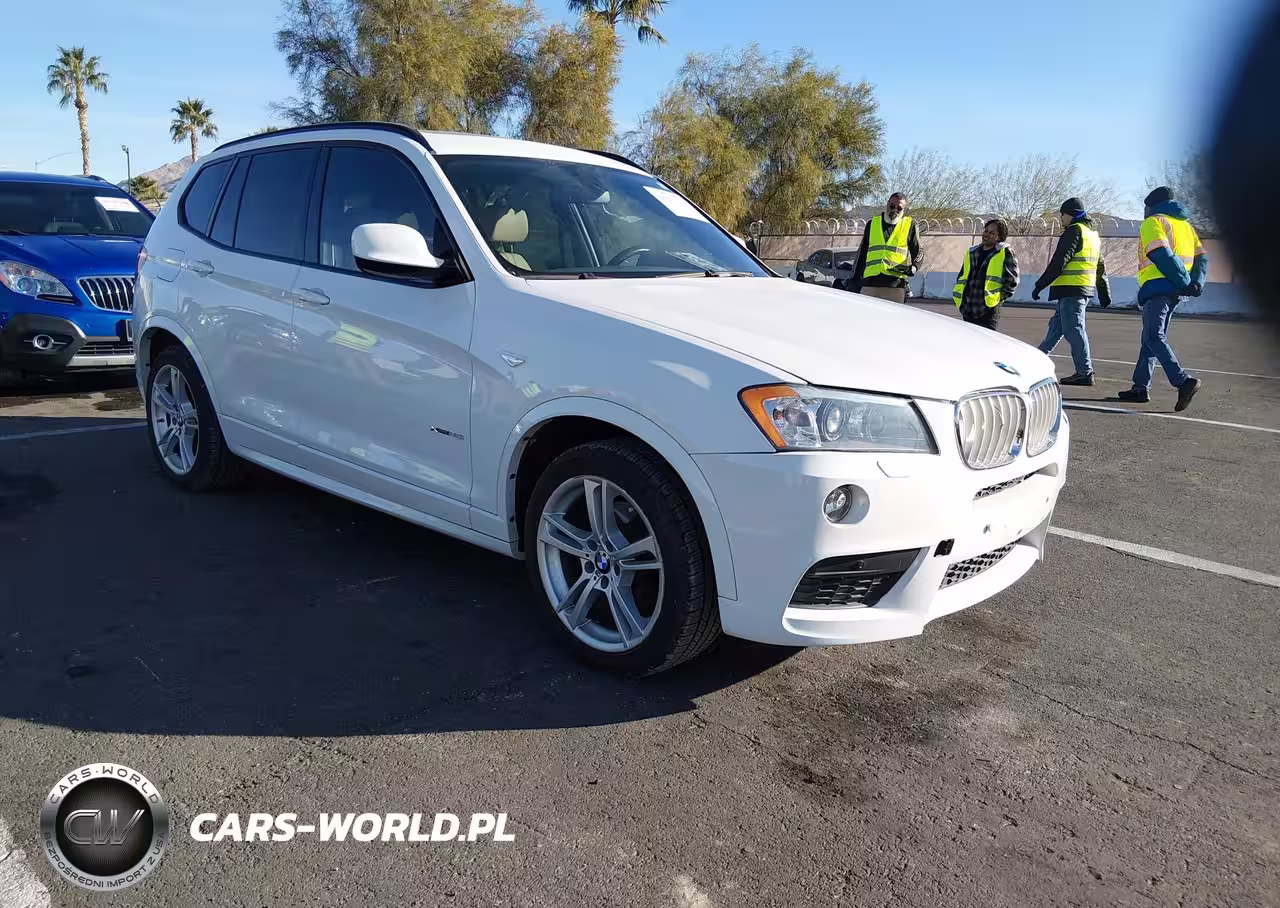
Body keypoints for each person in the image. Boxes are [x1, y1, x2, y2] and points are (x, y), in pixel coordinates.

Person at [1116, 187, 1207, 410]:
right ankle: (1140, 387)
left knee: (1154, 337)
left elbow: (1160, 254)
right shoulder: (1186, 226)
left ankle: (1183, 381)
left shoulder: (1153, 222)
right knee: (1150, 338)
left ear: (1150, 206)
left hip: (1159, 287)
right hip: (1176, 290)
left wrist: (1183, 281)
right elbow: (1202, 258)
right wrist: (1195, 282)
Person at [1032, 198, 1112, 386]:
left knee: (1075, 330)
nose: (1061, 218)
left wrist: (1040, 285)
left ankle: (1085, 372)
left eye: (1062, 214)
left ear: (1070, 213)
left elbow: (1060, 261)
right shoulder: (1092, 234)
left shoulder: (1074, 231)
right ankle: (1037, 360)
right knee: (1056, 327)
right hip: (1079, 288)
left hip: (1072, 289)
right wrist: (1104, 291)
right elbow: (1100, 266)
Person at [849, 192, 922, 303]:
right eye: (892, 206)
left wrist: (913, 268)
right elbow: (862, 254)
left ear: (904, 210)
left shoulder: (909, 225)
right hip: (869, 284)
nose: (895, 210)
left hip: (894, 286)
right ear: (887, 204)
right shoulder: (872, 223)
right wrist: (854, 280)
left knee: (892, 320)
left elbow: (919, 252)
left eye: (899, 208)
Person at [953, 218, 1019, 330]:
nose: (986, 234)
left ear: (999, 237)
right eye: (986, 231)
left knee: (986, 344)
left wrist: (998, 300)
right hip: (968, 307)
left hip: (988, 309)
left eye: (992, 233)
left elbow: (1012, 281)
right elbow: (962, 276)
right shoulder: (972, 252)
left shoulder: (1004, 252)